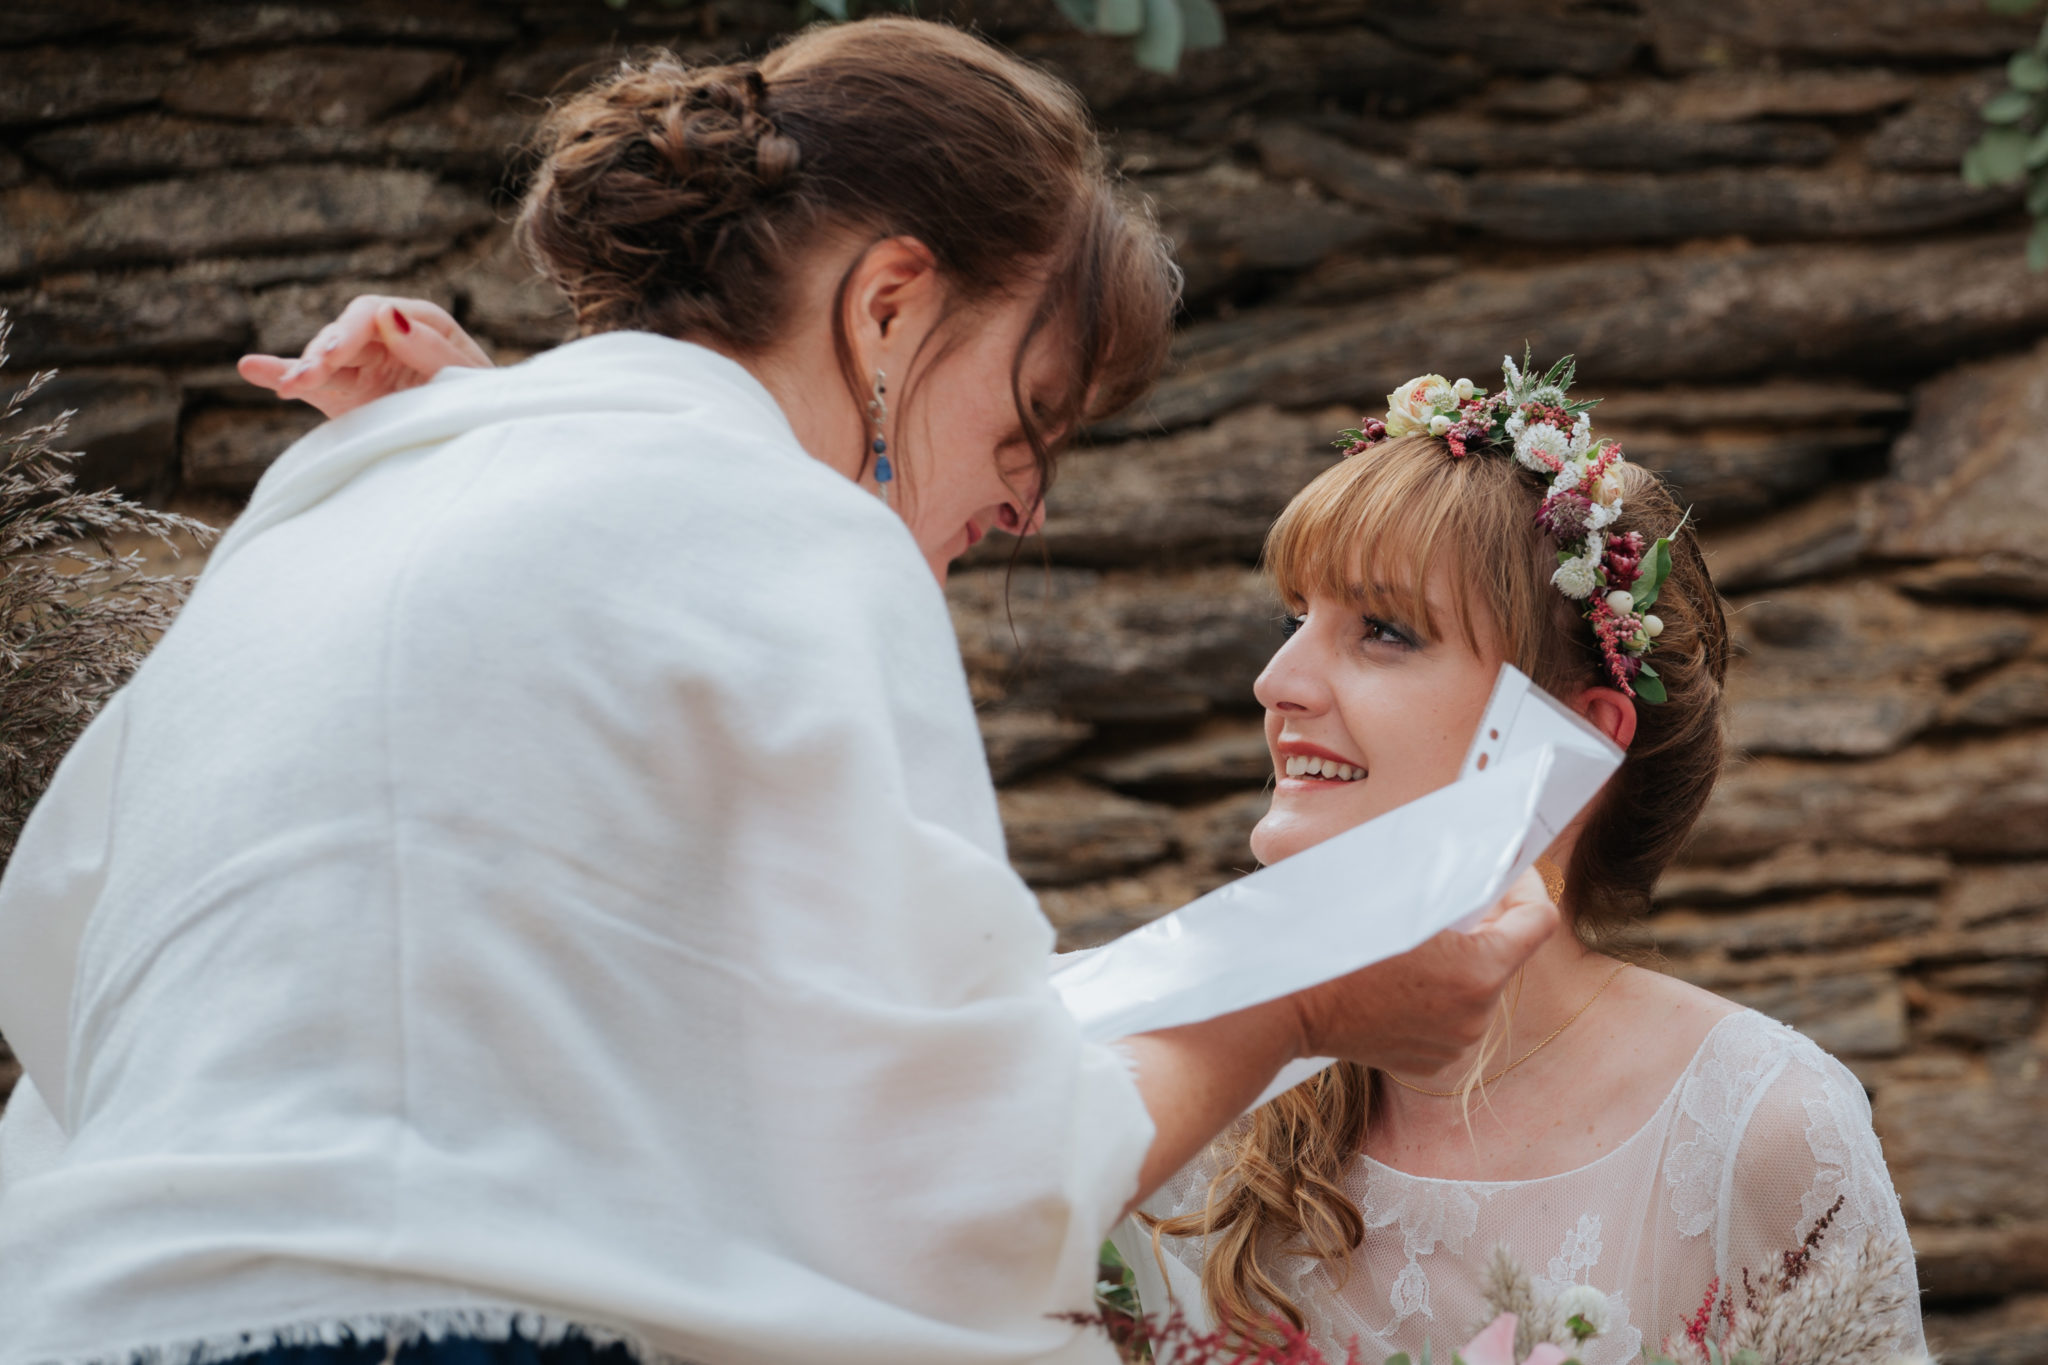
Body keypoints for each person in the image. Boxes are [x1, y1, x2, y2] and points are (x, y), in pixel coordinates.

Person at [0, 22, 1558, 1365]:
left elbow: (55, 961)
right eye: (1029, 417)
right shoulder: (799, 535)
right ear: (888, 308)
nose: (1025, 505)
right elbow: (959, 1183)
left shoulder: (335, 495)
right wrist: (1297, 1001)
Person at [1110, 366, 1927, 1363]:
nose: (1273, 683)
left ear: (1565, 738)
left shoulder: (1760, 1131)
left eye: (1381, 631)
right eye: (1294, 621)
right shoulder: (1192, 1092)